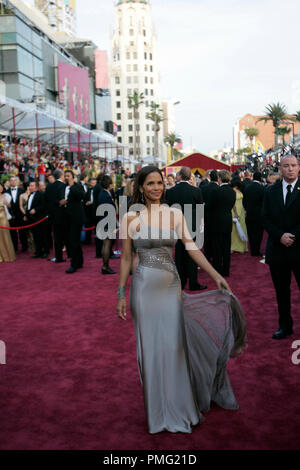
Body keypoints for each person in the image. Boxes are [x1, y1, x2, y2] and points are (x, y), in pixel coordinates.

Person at [116, 166, 246, 434]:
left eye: (160, 183)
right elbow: (127, 258)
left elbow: (192, 249)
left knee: (174, 348)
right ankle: (158, 413)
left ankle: (182, 408)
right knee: (149, 352)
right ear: (140, 187)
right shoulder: (130, 217)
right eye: (150, 183)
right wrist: (120, 293)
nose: (156, 187)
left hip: (170, 286)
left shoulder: (175, 214)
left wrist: (216, 274)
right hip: (143, 289)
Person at [262, 154, 300, 340]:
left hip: (299, 248)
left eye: (293, 165)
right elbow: (265, 217)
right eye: (286, 166)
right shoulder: (270, 191)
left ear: (298, 167)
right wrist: (280, 236)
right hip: (277, 250)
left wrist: (292, 236)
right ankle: (285, 326)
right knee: (281, 292)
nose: (290, 169)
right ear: (280, 168)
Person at [166, 167, 207, 291]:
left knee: (179, 253)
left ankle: (180, 281)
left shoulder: (170, 191)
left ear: (179, 177)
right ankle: (193, 282)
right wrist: (201, 225)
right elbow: (200, 210)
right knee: (192, 253)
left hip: (177, 225)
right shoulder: (196, 190)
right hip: (192, 225)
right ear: (190, 177)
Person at [210, 170, 236, 277]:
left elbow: (212, 206)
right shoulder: (232, 192)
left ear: (220, 179)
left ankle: (217, 270)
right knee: (226, 247)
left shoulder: (216, 191)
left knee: (217, 248)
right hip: (227, 220)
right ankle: (226, 270)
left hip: (217, 221)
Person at [62, 170, 85, 274]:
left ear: (73, 177)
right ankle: (79, 261)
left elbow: (82, 196)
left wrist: (72, 186)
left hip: (76, 217)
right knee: (73, 240)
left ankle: (74, 264)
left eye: (68, 176)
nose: (67, 177)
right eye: (65, 176)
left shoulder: (77, 186)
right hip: (66, 217)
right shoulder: (63, 187)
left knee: (73, 241)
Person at [45, 169, 67, 263]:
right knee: (65, 236)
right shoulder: (63, 186)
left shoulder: (49, 186)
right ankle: (71, 257)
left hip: (52, 215)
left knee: (57, 237)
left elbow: (46, 200)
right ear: (61, 175)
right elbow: (62, 200)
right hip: (62, 215)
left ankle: (58, 257)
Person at [97, 175, 117, 275]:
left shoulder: (102, 193)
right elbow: (111, 211)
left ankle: (105, 265)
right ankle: (105, 266)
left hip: (103, 221)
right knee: (107, 245)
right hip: (107, 222)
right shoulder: (105, 195)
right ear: (109, 185)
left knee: (105, 245)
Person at [243, 171, 265, 256]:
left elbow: (244, 201)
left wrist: (247, 209)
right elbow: (264, 203)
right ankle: (257, 250)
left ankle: (252, 250)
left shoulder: (247, 187)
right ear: (260, 178)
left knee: (251, 233)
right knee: (258, 234)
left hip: (249, 214)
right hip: (259, 215)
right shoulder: (262, 188)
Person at [24, 181, 46, 258]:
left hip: (39, 219)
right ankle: (38, 252)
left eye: (32, 186)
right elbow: (28, 207)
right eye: (29, 186)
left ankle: (45, 252)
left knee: (42, 236)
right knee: (36, 236)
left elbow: (43, 205)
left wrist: (36, 210)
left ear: (36, 187)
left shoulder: (41, 194)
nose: (30, 187)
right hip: (32, 220)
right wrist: (26, 215)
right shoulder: (30, 195)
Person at [5, 176, 27, 252]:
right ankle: (14, 247)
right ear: (10, 182)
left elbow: (25, 204)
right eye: (11, 180)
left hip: (20, 215)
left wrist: (24, 214)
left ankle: (24, 247)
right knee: (12, 233)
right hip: (11, 216)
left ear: (17, 182)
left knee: (22, 232)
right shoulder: (6, 192)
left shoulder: (22, 190)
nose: (13, 182)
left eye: (14, 180)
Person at [201, 170, 219, 262]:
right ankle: (215, 256)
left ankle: (207, 256)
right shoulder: (219, 189)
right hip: (217, 217)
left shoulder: (203, 188)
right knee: (216, 237)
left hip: (206, 216)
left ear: (210, 177)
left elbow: (201, 202)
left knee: (207, 237)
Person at [231, 177, 248, 253]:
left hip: (241, 211)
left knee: (242, 227)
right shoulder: (232, 191)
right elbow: (233, 204)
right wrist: (236, 213)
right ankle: (234, 246)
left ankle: (242, 247)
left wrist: (244, 210)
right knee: (234, 230)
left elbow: (241, 202)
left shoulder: (238, 191)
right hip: (235, 211)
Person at [0, 182, 16, 262]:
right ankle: (1, 257)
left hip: (4, 219)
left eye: (1, 187)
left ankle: (9, 256)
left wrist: (7, 204)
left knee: (6, 236)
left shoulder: (6, 196)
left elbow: (10, 207)